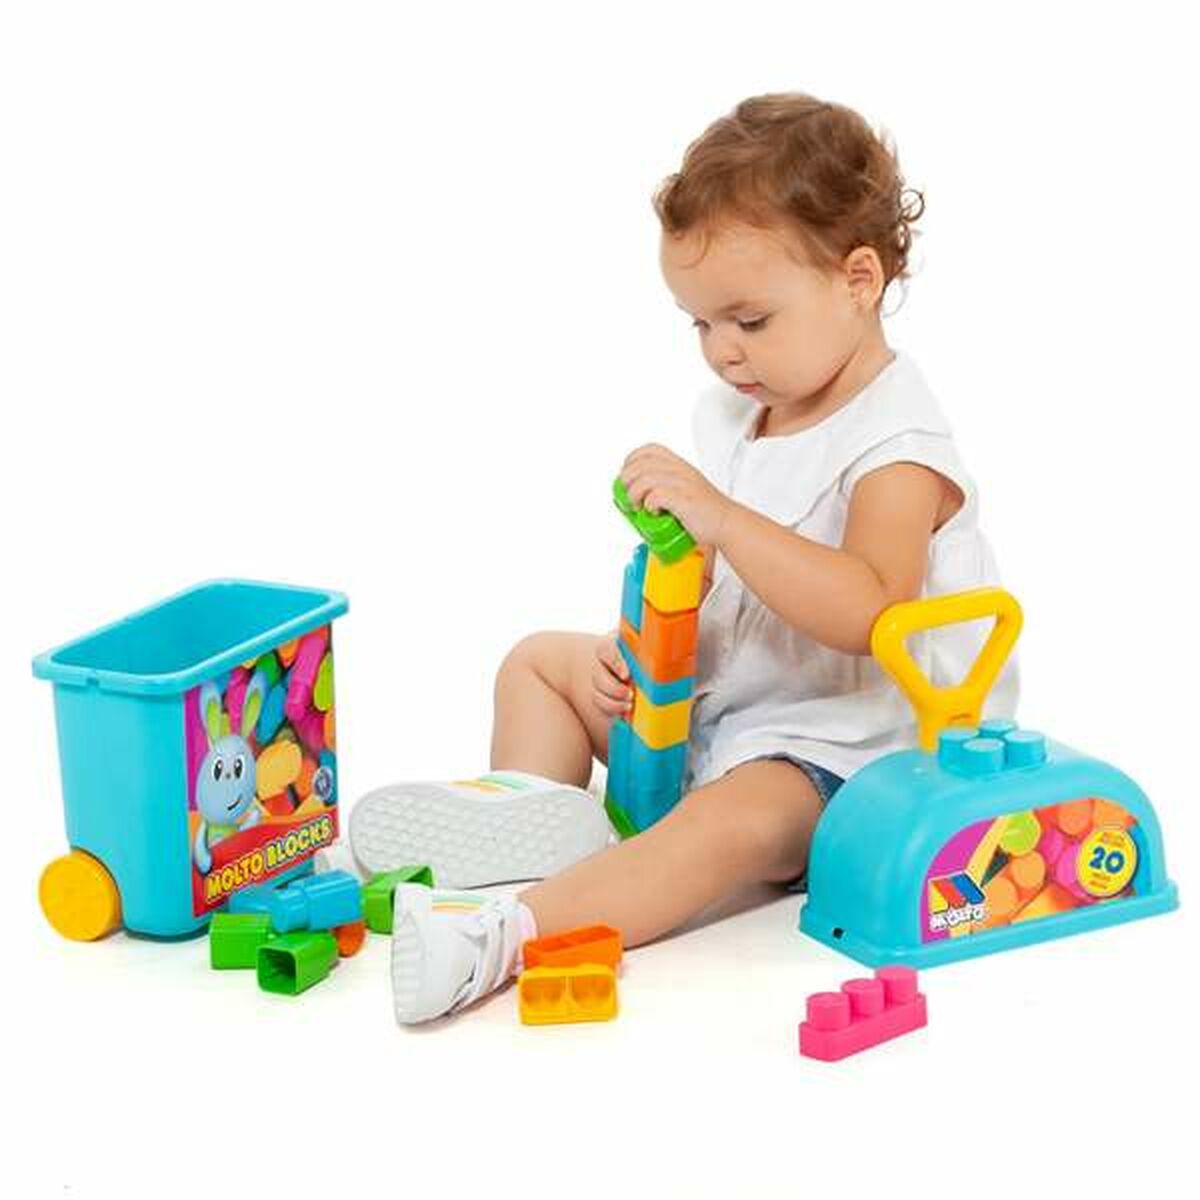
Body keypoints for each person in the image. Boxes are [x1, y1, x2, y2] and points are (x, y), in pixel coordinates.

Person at [339, 92, 1018, 1024]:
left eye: (750, 320)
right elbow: (709, 583)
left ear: (858, 279)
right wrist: (637, 652)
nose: (723, 353)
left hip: (839, 752)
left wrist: (723, 519)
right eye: (700, 325)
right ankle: (532, 833)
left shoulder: (896, 449)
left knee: (726, 824)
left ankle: (501, 932)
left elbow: (869, 611)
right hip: (723, 708)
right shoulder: (747, 413)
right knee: (537, 664)